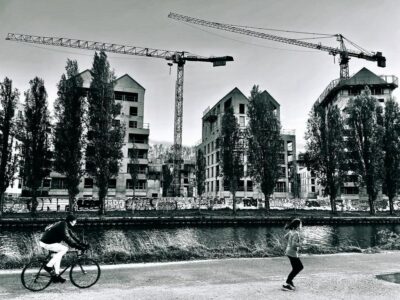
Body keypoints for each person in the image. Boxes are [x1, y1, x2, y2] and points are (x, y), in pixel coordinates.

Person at [39, 214, 88, 283]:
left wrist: (82, 244)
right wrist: (78, 247)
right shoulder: (63, 225)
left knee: (57, 256)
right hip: (47, 242)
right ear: (71, 221)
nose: (76, 222)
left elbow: (72, 236)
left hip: (48, 241)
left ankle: (56, 276)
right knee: (64, 249)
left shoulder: (64, 224)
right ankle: (48, 266)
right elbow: (67, 238)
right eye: (75, 221)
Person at [282, 218, 304, 291]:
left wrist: (289, 244)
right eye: (300, 224)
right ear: (298, 225)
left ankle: (289, 282)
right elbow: (294, 244)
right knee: (299, 267)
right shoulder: (296, 233)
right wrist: (301, 244)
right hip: (292, 252)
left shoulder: (291, 231)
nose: (301, 226)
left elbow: (285, 237)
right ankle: (289, 281)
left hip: (288, 251)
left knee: (295, 268)